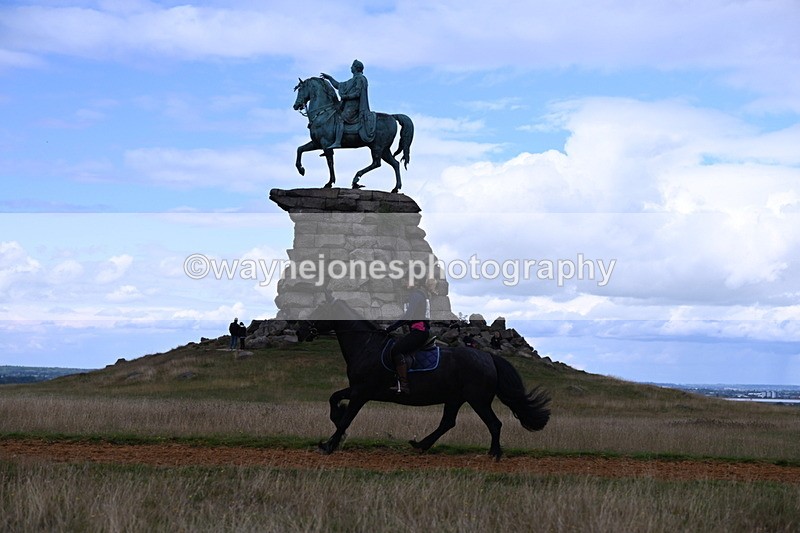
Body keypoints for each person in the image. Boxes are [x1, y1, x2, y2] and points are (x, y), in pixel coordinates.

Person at [384, 278, 437, 394]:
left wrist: (390, 328)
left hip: (419, 331)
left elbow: (408, 316)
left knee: (396, 350)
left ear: (416, 283)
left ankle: (404, 384)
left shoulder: (416, 295)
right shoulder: (419, 295)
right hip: (418, 330)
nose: (404, 282)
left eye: (407, 280)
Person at [320, 59, 373, 149]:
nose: (350, 68)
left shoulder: (360, 78)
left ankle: (337, 142)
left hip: (354, 106)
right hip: (347, 105)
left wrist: (346, 97)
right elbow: (338, 85)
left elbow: (358, 93)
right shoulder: (352, 80)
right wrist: (330, 78)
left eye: (352, 66)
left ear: (356, 68)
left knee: (340, 119)